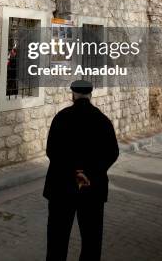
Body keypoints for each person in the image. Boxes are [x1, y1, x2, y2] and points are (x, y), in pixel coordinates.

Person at [44, 80, 119, 261]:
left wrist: (73, 172)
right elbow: (112, 153)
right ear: (90, 95)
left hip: (61, 188)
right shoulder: (103, 121)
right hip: (92, 189)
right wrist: (89, 174)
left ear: (73, 95)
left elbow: (51, 151)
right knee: (91, 242)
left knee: (57, 240)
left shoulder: (61, 118)